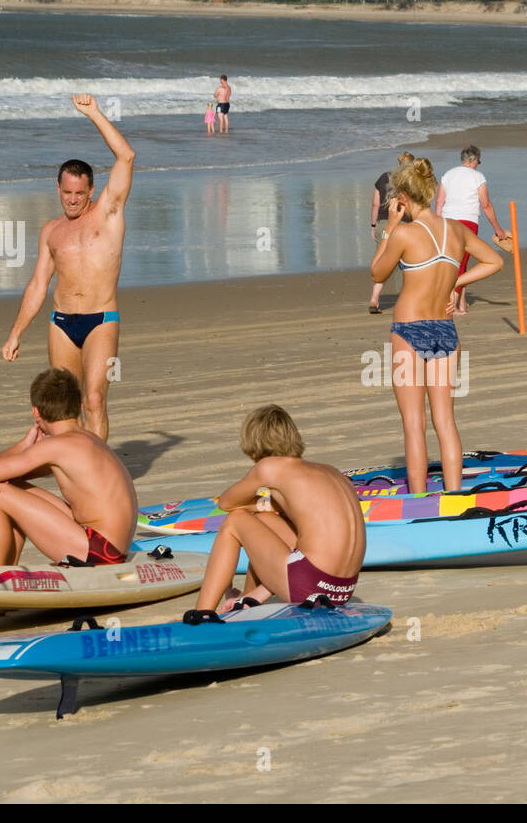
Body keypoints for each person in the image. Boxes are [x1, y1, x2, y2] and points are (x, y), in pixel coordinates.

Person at [1, 93, 135, 440]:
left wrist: (94, 114)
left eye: (80, 193)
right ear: (58, 189)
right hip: (61, 322)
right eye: (67, 193)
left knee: (93, 400)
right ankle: (73, 477)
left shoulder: (108, 213)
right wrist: (16, 332)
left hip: (100, 320)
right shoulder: (51, 231)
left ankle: (100, 476)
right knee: (62, 409)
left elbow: (126, 156)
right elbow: (37, 286)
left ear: (92, 190)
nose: (73, 199)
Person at [371, 157, 504, 494]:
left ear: (403, 195)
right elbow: (495, 261)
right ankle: (455, 495)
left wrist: (388, 231)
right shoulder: (456, 230)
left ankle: (418, 498)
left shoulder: (404, 233)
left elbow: (377, 273)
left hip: (408, 329)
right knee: (445, 422)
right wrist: (457, 280)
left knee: (414, 425)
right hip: (445, 330)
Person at [188, 405, 365, 618]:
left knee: (235, 521)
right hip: (342, 589)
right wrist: (268, 508)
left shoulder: (270, 468)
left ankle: (202, 614)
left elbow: (226, 503)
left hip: (310, 586)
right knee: (264, 520)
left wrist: (260, 504)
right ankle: (248, 598)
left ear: (254, 445)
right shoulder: (330, 471)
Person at [0, 368, 138, 569]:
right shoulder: (90, 439)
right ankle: (6, 570)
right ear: (78, 406)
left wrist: (23, 444)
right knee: (8, 484)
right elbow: (6, 475)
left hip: (99, 551)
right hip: (110, 547)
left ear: (36, 412)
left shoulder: (57, 446)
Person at [435, 145, 510, 315]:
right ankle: (451, 305)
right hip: (467, 222)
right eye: (478, 161)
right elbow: (486, 205)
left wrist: (437, 223)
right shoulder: (478, 177)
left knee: (454, 261)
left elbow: (439, 202)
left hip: (447, 222)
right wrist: (498, 229)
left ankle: (461, 304)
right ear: (474, 160)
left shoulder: (448, 174)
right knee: (461, 262)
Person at [367, 152, 415, 314]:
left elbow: (375, 204)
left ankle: (374, 298)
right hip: (402, 223)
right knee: (403, 264)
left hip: (382, 224)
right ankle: (404, 300)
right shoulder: (410, 181)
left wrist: (373, 225)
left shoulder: (384, 177)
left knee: (382, 262)